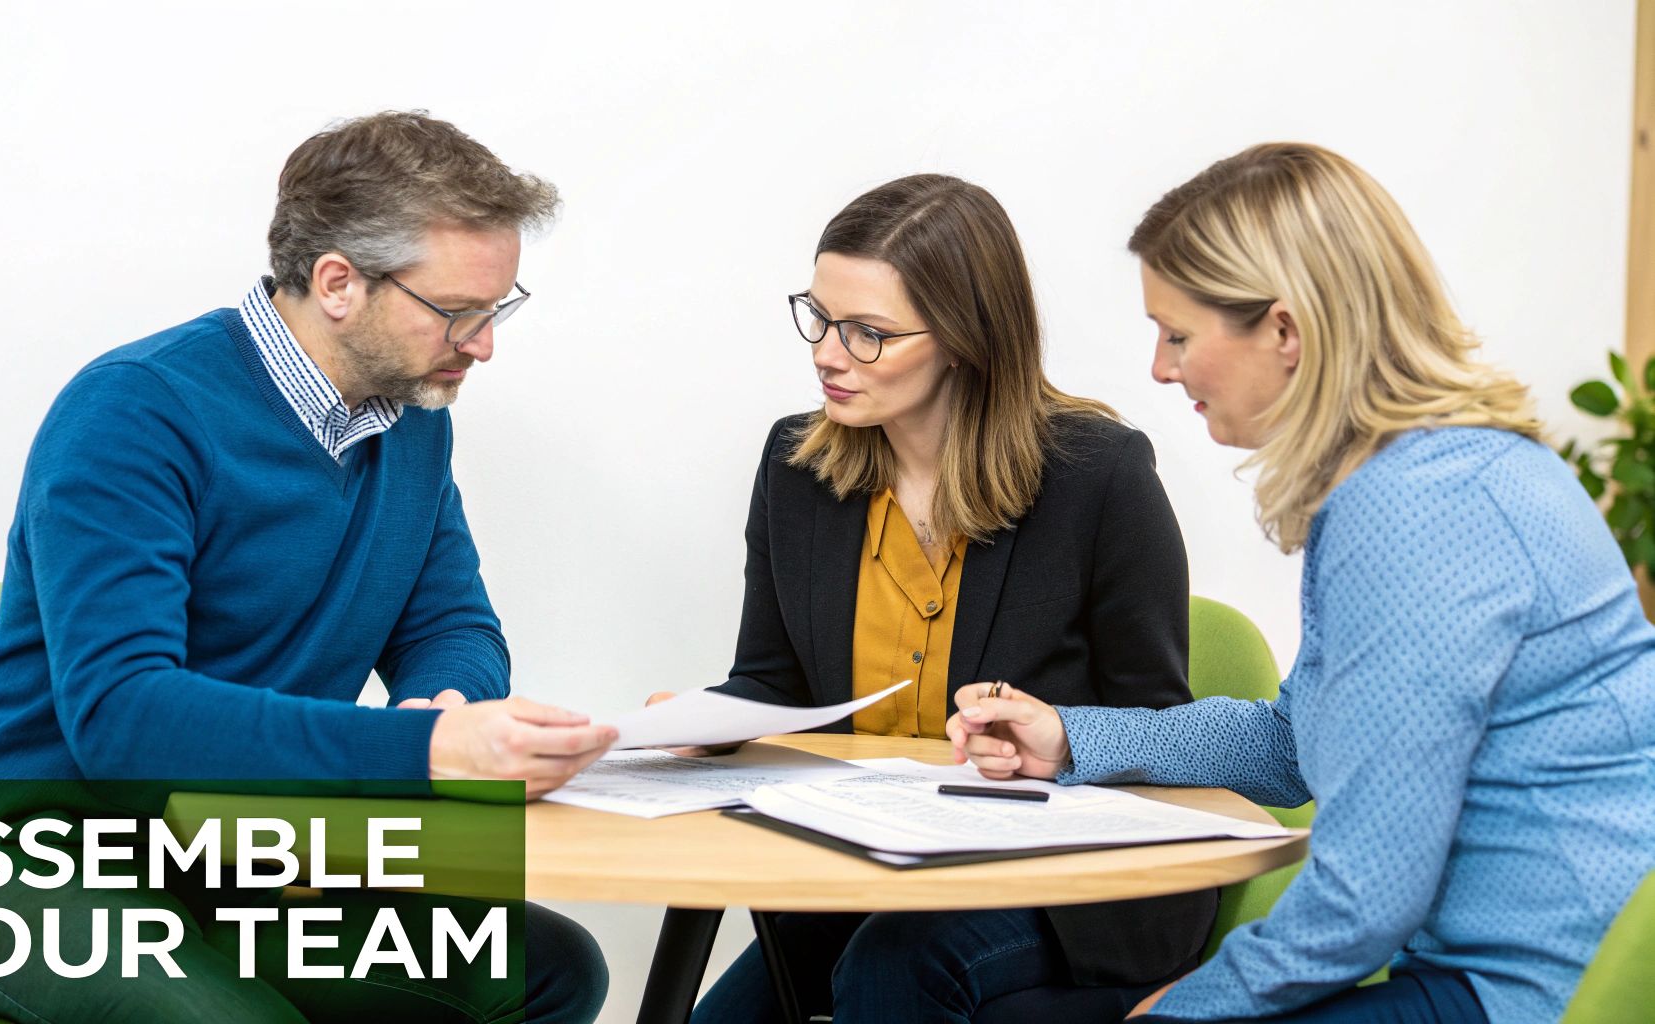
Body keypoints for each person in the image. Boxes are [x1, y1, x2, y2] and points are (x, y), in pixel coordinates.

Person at [0, 111, 612, 1023]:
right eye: (457, 313)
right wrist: (426, 751)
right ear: (338, 282)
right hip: (32, 871)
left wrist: (445, 701)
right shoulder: (134, 412)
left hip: (242, 865)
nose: (482, 345)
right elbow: (123, 716)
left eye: (496, 310)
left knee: (553, 969)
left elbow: (449, 626)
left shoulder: (410, 422)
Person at [950, 142, 1655, 1023]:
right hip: (1495, 969)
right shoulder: (1438, 471)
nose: (1161, 371)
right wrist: (1071, 737)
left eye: (1177, 334)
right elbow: (1296, 744)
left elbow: (1364, 903)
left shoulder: (1417, 511)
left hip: (1527, 994)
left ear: (1285, 332)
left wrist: (1179, 1011)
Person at [681, 174, 1217, 1023]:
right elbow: (774, 682)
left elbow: (1161, 726)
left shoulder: (1099, 476)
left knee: (894, 975)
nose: (827, 352)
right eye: (819, 317)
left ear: (966, 339)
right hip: (870, 869)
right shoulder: (797, 467)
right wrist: (697, 724)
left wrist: (1054, 741)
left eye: (868, 334)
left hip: (1066, 883)